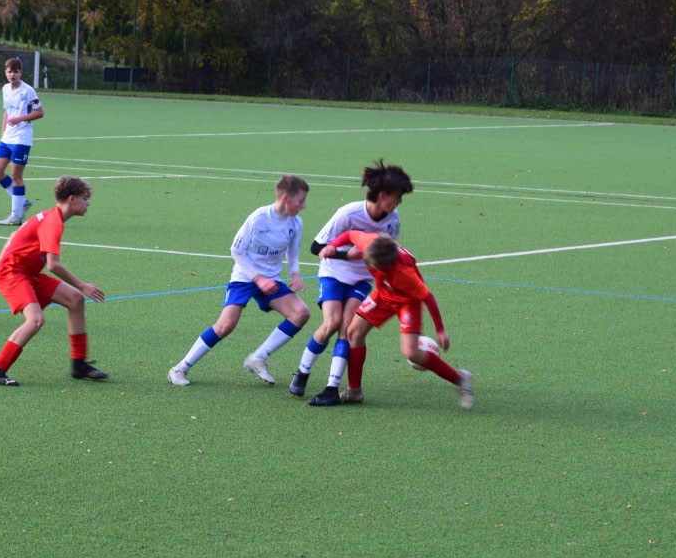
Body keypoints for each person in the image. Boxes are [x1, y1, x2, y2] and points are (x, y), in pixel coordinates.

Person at [168, 175, 311, 386]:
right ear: (285, 198)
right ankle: (180, 368)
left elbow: (293, 250)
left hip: (271, 281)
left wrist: (295, 273)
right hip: (245, 278)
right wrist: (258, 278)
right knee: (226, 325)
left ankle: (258, 358)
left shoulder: (296, 223)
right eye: (300, 201)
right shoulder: (258, 218)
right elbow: (236, 251)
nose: (304, 206)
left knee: (301, 313)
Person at [306, 231, 474, 410]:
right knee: (353, 333)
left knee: (411, 352)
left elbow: (428, 298)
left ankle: (460, 379)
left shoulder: (405, 273)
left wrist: (440, 330)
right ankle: (354, 391)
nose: (368, 266)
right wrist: (333, 246)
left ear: (386, 266)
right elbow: (349, 234)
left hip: (407, 302)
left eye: (373, 266)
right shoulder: (370, 244)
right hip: (383, 295)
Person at [289, 159, 412, 397]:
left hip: (361, 279)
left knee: (346, 326)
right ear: (383, 195)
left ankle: (332, 387)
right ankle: (303, 372)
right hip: (334, 273)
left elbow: (387, 252)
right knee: (331, 323)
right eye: (397, 196)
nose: (399, 201)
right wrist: (347, 255)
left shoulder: (393, 220)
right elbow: (316, 247)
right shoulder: (348, 213)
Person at [0, 175, 107, 386]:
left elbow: (14, 236)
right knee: (35, 320)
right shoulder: (53, 223)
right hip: (13, 274)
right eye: (85, 198)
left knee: (75, 300)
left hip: (27, 273)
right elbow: (53, 265)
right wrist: (83, 285)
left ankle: (79, 364)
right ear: (72, 199)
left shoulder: (50, 216)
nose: (88, 203)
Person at [0, 57, 44, 226]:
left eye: (15, 71)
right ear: (5, 72)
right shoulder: (5, 89)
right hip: (7, 138)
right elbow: (7, 112)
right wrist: (2, 134)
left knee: (16, 175)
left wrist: (20, 118)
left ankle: (16, 216)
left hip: (22, 138)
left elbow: (39, 112)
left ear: (21, 72)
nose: (12, 75)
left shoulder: (28, 91)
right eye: (9, 72)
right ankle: (22, 202)